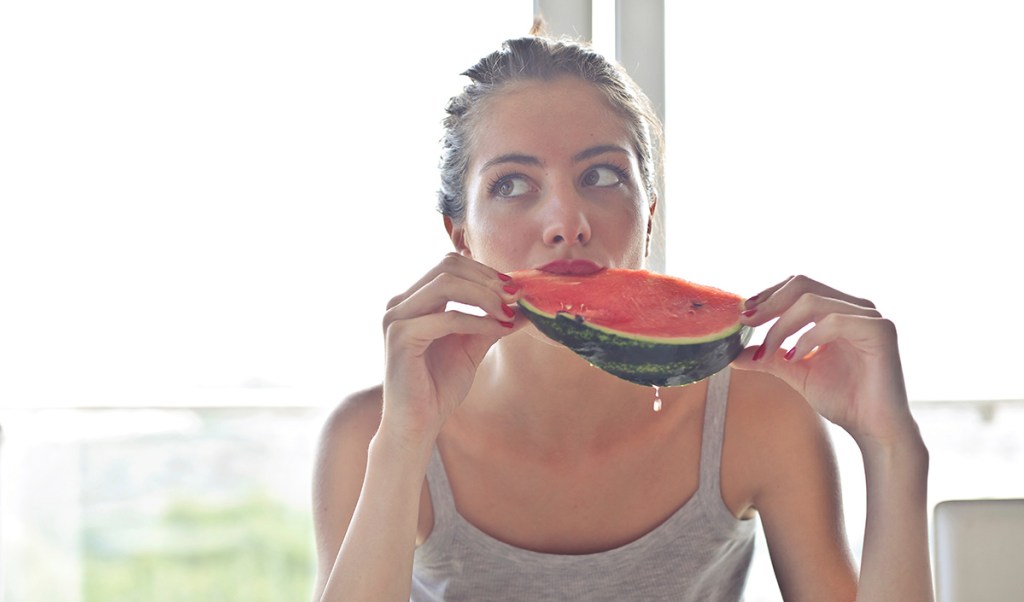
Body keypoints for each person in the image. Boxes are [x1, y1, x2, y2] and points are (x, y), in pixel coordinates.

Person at [311, 28, 933, 602]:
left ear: (650, 215)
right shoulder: (370, 433)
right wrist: (403, 442)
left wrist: (893, 449)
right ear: (460, 235)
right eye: (512, 184)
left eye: (602, 175)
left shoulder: (756, 414)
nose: (566, 224)